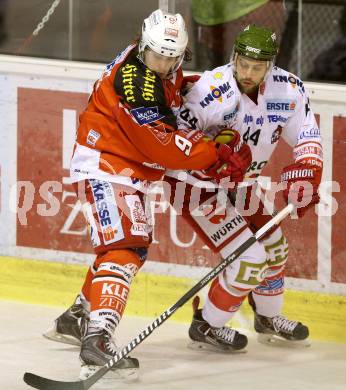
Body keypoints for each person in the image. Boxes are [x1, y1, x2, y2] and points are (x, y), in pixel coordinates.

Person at [43, 9, 247, 380]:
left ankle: (76, 318)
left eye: (174, 57)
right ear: (144, 46)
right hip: (106, 166)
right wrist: (213, 152)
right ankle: (98, 338)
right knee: (125, 247)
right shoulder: (136, 84)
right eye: (160, 56)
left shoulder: (154, 63)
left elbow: (172, 94)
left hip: (123, 169)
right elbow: (165, 149)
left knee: (123, 248)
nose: (167, 64)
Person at [166, 23, 323, 351]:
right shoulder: (209, 89)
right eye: (243, 64)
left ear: (271, 65)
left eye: (257, 67)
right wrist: (211, 156)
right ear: (234, 57)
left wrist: (309, 169)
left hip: (243, 184)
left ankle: (267, 317)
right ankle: (207, 325)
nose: (248, 73)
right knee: (249, 260)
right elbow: (175, 138)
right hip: (197, 186)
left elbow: (307, 134)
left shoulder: (289, 89)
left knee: (276, 248)